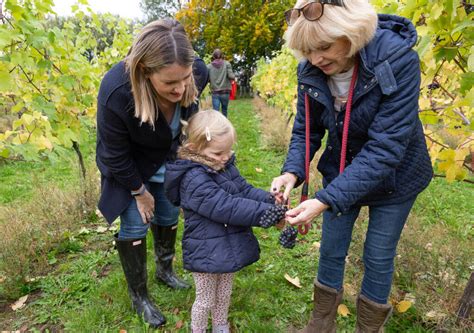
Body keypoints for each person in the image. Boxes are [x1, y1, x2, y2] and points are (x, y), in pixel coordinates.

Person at [271, 0, 433, 332]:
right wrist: (292, 171)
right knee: (331, 249)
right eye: (307, 51)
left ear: (349, 32)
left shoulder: (397, 59)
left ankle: (368, 329)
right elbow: (307, 129)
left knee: (378, 254)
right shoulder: (311, 70)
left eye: (324, 47)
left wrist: (324, 200)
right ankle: (321, 323)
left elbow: (385, 148)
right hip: (343, 168)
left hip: (396, 176)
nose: (316, 59)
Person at [95, 19, 209, 328]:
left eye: (185, 78)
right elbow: (114, 155)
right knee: (135, 224)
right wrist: (140, 193)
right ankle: (139, 294)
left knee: (169, 215)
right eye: (170, 83)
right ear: (146, 72)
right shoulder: (117, 90)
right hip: (131, 168)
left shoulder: (195, 73)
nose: (181, 88)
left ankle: (165, 270)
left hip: (168, 161)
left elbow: (190, 119)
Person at [164, 110, 286, 333]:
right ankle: (198, 330)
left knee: (224, 293)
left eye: (229, 150)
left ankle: (221, 326)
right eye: (219, 152)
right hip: (205, 249)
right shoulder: (193, 179)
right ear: (194, 149)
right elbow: (226, 206)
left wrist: (271, 201)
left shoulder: (223, 165)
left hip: (227, 245)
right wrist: (266, 214)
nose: (226, 156)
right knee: (205, 299)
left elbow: (244, 190)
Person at [207, 49, 236, 117]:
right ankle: (224, 126)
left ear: (213, 56)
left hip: (215, 92)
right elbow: (231, 76)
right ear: (222, 55)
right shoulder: (227, 64)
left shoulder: (209, 67)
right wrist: (234, 77)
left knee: (216, 112)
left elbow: (207, 79)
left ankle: (217, 126)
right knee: (224, 110)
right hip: (225, 91)